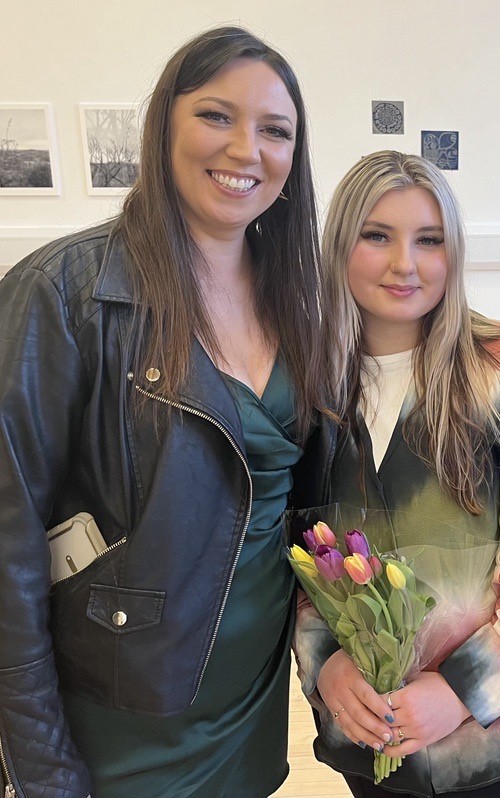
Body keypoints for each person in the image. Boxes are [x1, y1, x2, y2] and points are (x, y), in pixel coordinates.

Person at [0, 26, 329, 798]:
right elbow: (7, 547)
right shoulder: (63, 292)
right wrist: (42, 766)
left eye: (275, 130)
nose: (247, 149)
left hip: (249, 715)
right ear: (164, 126)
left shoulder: (297, 297)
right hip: (119, 724)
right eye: (217, 116)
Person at [292, 150, 500, 798]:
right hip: (370, 731)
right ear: (339, 246)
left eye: (429, 240)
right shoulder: (307, 389)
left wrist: (459, 691)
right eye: (378, 236)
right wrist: (329, 669)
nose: (406, 263)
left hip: (498, 736)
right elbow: (302, 557)